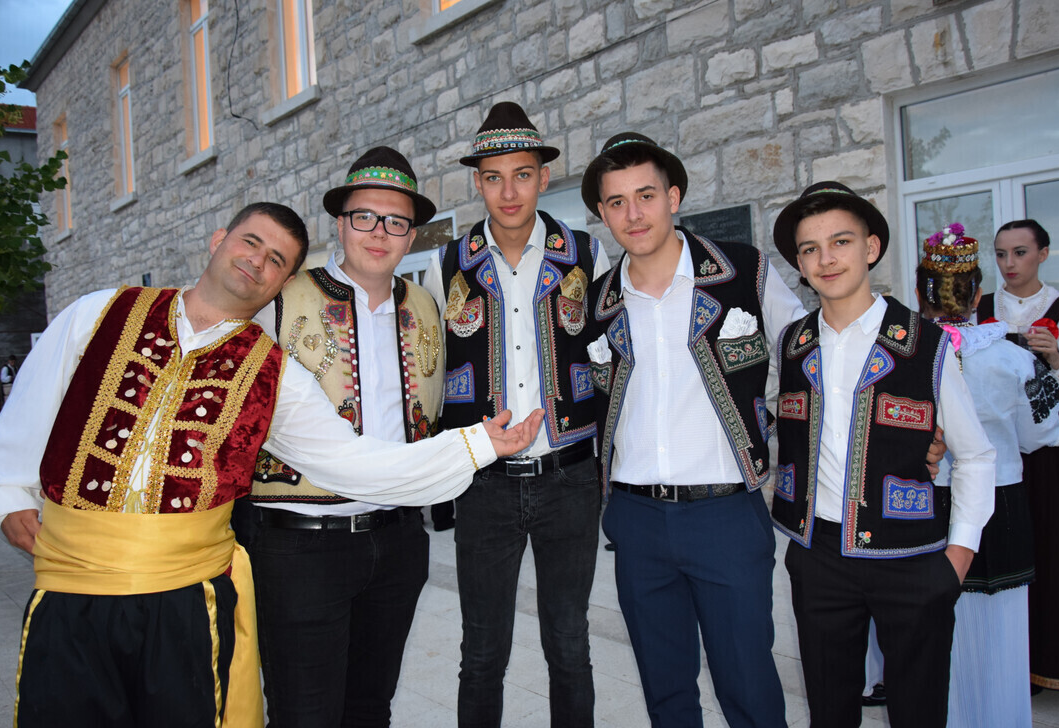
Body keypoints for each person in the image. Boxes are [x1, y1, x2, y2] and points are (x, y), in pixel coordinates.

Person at [0, 202, 542, 728]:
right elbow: (30, 408)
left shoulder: (271, 372)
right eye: (250, 242)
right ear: (219, 240)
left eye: (276, 259)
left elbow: (351, 461)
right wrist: (9, 496)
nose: (258, 261)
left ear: (284, 281)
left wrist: (476, 445)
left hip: (186, 595)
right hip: (72, 586)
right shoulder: (100, 313)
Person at [582, 132, 804, 728]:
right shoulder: (598, 303)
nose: (634, 214)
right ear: (602, 212)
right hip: (636, 520)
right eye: (617, 202)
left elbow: (810, 358)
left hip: (725, 515)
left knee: (749, 687)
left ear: (673, 197)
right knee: (666, 693)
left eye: (646, 195)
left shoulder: (742, 272)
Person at [769, 182, 996, 728]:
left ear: (871, 248)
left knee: (919, 711)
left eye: (841, 241)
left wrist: (958, 556)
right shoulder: (792, 345)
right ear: (799, 263)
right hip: (818, 555)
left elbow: (975, 455)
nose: (826, 259)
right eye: (810, 248)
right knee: (829, 710)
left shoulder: (928, 343)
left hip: (913, 555)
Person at [235, 149, 443, 728]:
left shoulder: (426, 306)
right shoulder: (279, 300)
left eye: (396, 222)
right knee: (304, 714)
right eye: (364, 217)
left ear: (411, 235)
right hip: (301, 546)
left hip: (397, 541)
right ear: (340, 223)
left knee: (371, 709)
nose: (379, 233)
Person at [422, 101, 609, 728]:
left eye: (522, 175)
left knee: (570, 645)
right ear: (477, 183)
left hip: (570, 477)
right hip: (484, 485)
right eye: (494, 177)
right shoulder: (447, 264)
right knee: (481, 653)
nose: (509, 192)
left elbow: (614, 356)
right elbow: (430, 372)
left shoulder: (585, 254)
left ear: (543, 177)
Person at [916, 222, 1059, 727]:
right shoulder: (1014, 357)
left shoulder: (908, 359)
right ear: (977, 294)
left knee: (935, 622)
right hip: (1000, 500)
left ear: (922, 295)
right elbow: (1043, 432)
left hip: (929, 502)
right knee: (1003, 625)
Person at [976, 218, 1059, 690]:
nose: (1009, 263)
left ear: (1043, 254)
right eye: (1001, 254)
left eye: (1020, 253)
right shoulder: (980, 308)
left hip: (1056, 455)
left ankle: (1056, 659)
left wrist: (1058, 360)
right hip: (999, 448)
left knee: (1056, 549)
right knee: (1003, 549)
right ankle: (1005, 664)